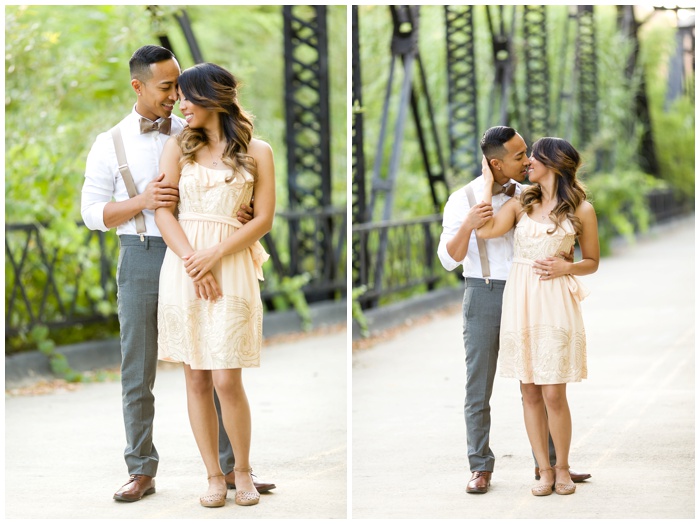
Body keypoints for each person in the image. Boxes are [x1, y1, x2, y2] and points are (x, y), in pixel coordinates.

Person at [81, 45, 274, 503]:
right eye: (167, 88)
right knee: (140, 367)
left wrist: (232, 215)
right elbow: (91, 213)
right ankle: (141, 469)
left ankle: (232, 470)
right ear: (139, 86)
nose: (174, 98)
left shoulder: (197, 133)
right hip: (146, 251)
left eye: (181, 87)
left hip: (204, 252)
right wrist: (142, 203)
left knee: (217, 365)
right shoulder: (111, 142)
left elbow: (249, 203)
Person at [437, 126, 590, 494]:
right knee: (480, 385)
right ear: (496, 163)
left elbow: (563, 234)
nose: (527, 161)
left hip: (536, 292)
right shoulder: (464, 199)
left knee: (544, 382)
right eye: (520, 156)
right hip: (487, 291)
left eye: (528, 154)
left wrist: (565, 260)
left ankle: (552, 466)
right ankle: (480, 466)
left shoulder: (531, 193)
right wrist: (472, 222)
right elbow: (447, 259)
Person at [154, 62, 275, 508]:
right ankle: (212, 476)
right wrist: (192, 259)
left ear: (211, 98)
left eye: (187, 96)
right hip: (185, 266)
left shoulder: (258, 150)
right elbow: (163, 211)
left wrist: (214, 256)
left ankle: (242, 470)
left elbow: (263, 218)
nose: (180, 104)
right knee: (197, 377)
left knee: (227, 377)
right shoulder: (176, 148)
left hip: (230, 263)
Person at [475, 136, 599, 496]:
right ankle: (543, 470)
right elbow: (484, 231)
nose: (527, 162)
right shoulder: (519, 204)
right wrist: (486, 183)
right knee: (528, 392)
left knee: (554, 393)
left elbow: (592, 262)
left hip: (556, 300)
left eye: (534, 158)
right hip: (521, 299)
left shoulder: (582, 209)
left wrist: (566, 267)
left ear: (555, 164)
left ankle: (562, 468)